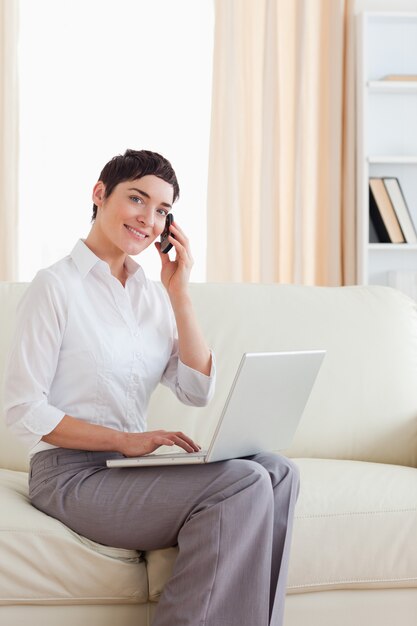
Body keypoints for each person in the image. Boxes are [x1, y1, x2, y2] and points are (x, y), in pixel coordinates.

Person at [3, 148, 300, 626]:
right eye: (137, 199)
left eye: (162, 210)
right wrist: (125, 440)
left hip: (126, 472)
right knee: (241, 483)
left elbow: (195, 389)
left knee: (278, 472)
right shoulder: (55, 287)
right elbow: (22, 411)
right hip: (69, 477)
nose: (149, 219)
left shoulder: (149, 293)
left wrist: (179, 291)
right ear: (100, 195)